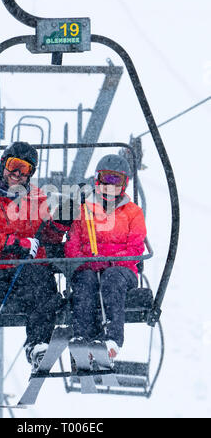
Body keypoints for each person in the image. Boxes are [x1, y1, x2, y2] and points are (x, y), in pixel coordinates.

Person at [0, 141, 63, 404]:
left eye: (24, 169)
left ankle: (38, 345)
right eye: (12, 167)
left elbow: (48, 237)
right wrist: (15, 244)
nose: (17, 174)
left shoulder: (39, 200)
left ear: (31, 173)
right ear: (3, 166)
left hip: (27, 271)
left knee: (44, 284)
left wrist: (61, 224)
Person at [63, 154, 147, 361]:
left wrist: (109, 262)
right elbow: (72, 245)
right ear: (96, 180)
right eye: (105, 179)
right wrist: (86, 262)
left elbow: (135, 248)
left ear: (124, 184)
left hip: (122, 271)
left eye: (115, 180)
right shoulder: (84, 210)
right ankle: (83, 338)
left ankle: (112, 340)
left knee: (111, 279)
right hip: (88, 267)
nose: (109, 187)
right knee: (85, 282)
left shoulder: (133, 212)